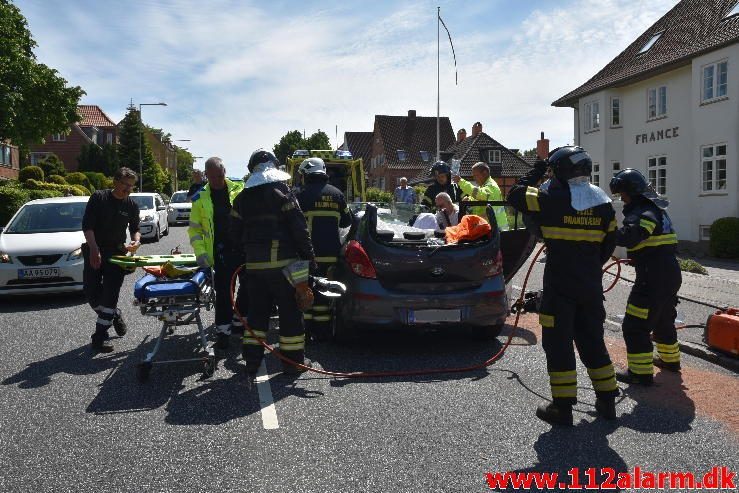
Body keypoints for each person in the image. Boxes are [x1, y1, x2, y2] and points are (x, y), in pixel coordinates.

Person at [508, 146, 619, 426]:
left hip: (560, 286)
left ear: (558, 170)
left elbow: (515, 193)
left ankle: (562, 408)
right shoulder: (604, 203)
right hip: (591, 286)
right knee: (593, 341)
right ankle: (607, 400)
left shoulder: (547, 197)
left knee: (559, 345)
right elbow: (609, 245)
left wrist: (536, 169)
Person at [229, 149, 317, 375]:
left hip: (255, 269)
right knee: (290, 316)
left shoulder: (241, 199)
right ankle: (293, 363)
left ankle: (251, 360)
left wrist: (245, 256)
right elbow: (299, 230)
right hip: (284, 269)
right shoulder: (283, 193)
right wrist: (309, 259)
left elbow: (233, 235)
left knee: (257, 314)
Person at [609, 168, 681, 385]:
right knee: (662, 319)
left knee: (635, 325)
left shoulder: (643, 212)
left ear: (632, 192)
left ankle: (640, 374)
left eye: (623, 195)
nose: (622, 199)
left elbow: (631, 237)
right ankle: (671, 361)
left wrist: (603, 233)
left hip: (651, 279)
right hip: (668, 275)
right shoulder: (657, 209)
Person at [188, 157, 245, 350]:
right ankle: (223, 332)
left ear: (225, 172)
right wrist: (200, 253)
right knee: (223, 294)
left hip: (243, 249)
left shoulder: (240, 189)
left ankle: (239, 322)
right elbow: (195, 230)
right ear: (206, 175)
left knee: (248, 288)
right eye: (211, 177)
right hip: (220, 252)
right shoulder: (200, 197)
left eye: (219, 176)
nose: (216, 180)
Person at [82, 167, 141, 353]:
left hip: (117, 255)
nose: (128, 189)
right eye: (125, 184)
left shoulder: (131, 205)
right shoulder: (99, 198)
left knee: (110, 295)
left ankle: (100, 337)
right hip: (94, 250)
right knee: (91, 294)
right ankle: (114, 314)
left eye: (132, 186)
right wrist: (93, 249)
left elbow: (135, 229)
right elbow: (88, 226)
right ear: (115, 181)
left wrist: (136, 241)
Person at [295, 157, 353, 341]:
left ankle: (305, 332)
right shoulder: (337, 194)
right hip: (331, 254)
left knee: (305, 292)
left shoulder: (299, 194)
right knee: (324, 295)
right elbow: (347, 221)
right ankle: (323, 333)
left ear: (306, 174)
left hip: (307, 255)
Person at [453, 162, 509, 230]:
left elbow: (480, 194)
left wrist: (461, 182)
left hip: (497, 231)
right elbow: (479, 196)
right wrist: (469, 200)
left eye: (475, 175)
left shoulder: (492, 186)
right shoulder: (485, 186)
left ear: (485, 173)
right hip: (488, 229)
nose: (474, 178)